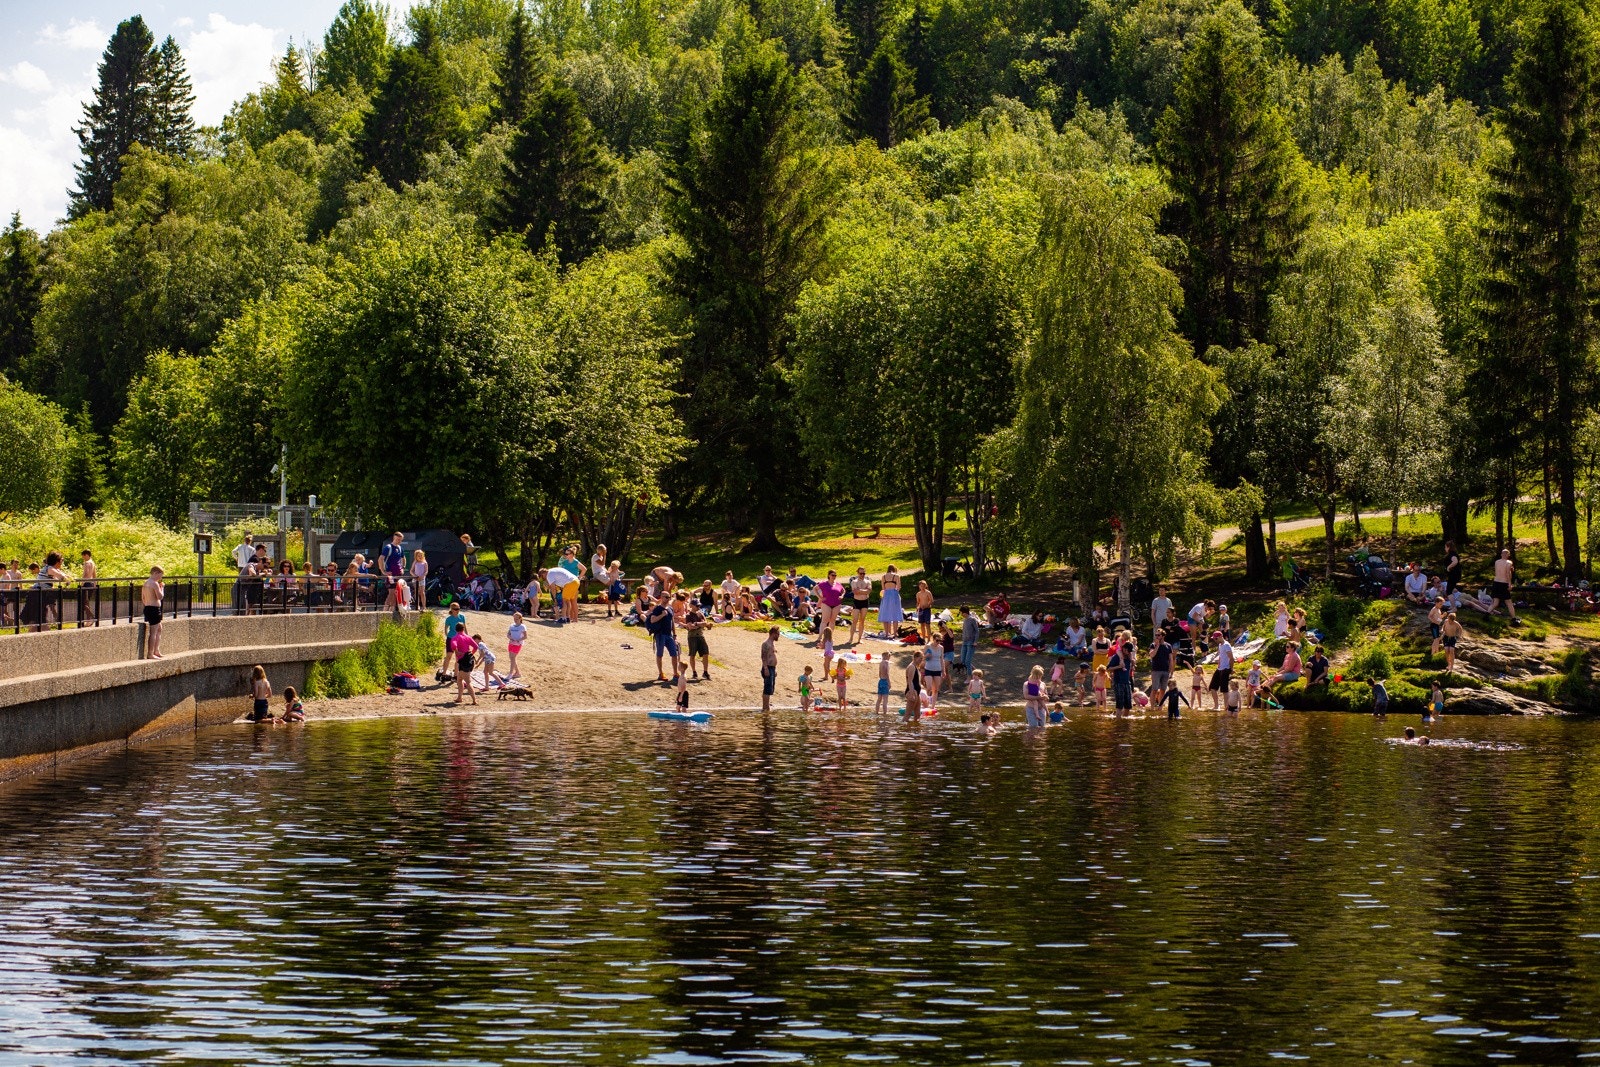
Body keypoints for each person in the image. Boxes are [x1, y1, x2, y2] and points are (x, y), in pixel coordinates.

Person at [644, 596, 681, 683]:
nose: (667, 598)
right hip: (660, 634)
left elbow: (672, 622)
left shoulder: (670, 608)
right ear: (661, 598)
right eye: (665, 597)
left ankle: (675, 673)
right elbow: (652, 620)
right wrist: (662, 615)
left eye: (669, 597)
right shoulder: (657, 609)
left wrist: (674, 634)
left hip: (669, 635)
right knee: (660, 654)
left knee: (674, 654)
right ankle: (661, 674)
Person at [450, 628, 478, 705]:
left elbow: (453, 645)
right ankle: (459, 698)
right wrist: (471, 653)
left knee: (468, 682)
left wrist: (456, 651)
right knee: (459, 679)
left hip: (463, 661)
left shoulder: (456, 637)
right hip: (469, 660)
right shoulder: (468, 637)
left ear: (456, 629)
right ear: (463, 629)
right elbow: (476, 646)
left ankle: (474, 700)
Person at [685, 600, 712, 679]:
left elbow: (706, 623)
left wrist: (697, 624)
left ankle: (705, 672)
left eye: (699, 606)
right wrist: (699, 624)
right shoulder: (688, 615)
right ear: (691, 606)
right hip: (692, 637)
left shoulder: (700, 613)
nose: (698, 607)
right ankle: (694, 672)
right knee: (692, 655)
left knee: (706, 653)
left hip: (700, 635)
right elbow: (690, 626)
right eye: (697, 606)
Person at [141, 566, 164, 658]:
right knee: (153, 632)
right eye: (159, 576)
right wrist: (162, 588)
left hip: (148, 607)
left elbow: (143, 597)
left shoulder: (146, 583)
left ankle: (156, 650)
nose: (160, 578)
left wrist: (147, 604)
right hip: (154, 609)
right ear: (155, 573)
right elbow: (160, 597)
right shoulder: (154, 584)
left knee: (159, 628)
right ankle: (150, 653)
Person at [1208, 633, 1235, 711]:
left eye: (1216, 639)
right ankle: (1216, 706)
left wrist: (1231, 669)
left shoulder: (1227, 645)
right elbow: (1220, 655)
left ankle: (1226, 707)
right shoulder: (1220, 645)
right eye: (1214, 639)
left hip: (1225, 669)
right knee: (1212, 688)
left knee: (1224, 689)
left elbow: (1231, 658)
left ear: (1220, 637)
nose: (1215, 640)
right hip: (1219, 668)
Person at [1108, 637, 1134, 716]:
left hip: (1127, 682)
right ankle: (1118, 721)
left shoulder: (1129, 657)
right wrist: (1119, 666)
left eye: (1129, 651)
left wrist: (1132, 663)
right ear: (1124, 649)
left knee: (1128, 705)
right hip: (1118, 682)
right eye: (1127, 650)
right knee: (1119, 705)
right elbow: (1108, 668)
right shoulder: (1117, 657)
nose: (1128, 652)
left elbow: (1131, 666)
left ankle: (1125, 721)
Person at [848, 567, 873, 644]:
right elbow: (855, 592)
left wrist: (860, 590)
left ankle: (859, 639)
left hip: (865, 602)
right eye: (860, 573)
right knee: (854, 620)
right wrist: (864, 591)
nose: (862, 575)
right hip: (856, 602)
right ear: (858, 573)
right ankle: (851, 638)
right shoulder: (854, 582)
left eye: (863, 573)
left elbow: (869, 591)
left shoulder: (868, 581)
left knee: (862, 621)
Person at [1490, 549, 1516, 620]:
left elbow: (1497, 572)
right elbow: (1507, 573)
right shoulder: (1509, 562)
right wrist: (1510, 584)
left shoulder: (1497, 562)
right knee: (1509, 602)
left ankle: (1487, 614)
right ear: (1508, 555)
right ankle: (1514, 618)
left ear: (1501, 554)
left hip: (1496, 582)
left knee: (1495, 603)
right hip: (1504, 583)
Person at [878, 566, 904, 637]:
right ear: (894, 569)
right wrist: (895, 591)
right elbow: (898, 587)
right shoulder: (896, 576)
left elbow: (883, 588)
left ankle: (887, 633)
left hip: (886, 594)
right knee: (895, 613)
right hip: (894, 594)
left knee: (885, 613)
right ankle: (895, 633)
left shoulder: (883, 576)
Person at [761, 626, 780, 713]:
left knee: (770, 688)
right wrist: (766, 668)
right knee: (767, 688)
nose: (778, 636)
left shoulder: (772, 644)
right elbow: (763, 657)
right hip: (767, 667)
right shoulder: (766, 644)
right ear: (773, 634)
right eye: (778, 634)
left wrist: (774, 669)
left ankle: (767, 706)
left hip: (772, 668)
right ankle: (765, 707)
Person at [1148, 630, 1173, 696]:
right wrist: (1157, 646)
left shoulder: (1168, 645)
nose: (1157, 636)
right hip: (1156, 670)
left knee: (1163, 690)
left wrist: (1170, 671)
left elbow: (1171, 659)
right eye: (1156, 635)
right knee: (1154, 689)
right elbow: (1151, 655)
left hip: (1165, 670)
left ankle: (1160, 705)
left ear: (1163, 636)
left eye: (1158, 635)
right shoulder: (1153, 645)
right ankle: (1152, 706)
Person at [923, 630, 945, 702]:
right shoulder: (928, 646)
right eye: (937, 640)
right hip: (928, 668)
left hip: (937, 669)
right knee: (929, 687)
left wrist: (943, 670)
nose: (938, 642)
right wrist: (927, 655)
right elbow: (922, 657)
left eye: (940, 641)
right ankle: (925, 702)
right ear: (933, 639)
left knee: (936, 689)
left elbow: (942, 659)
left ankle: (932, 706)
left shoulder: (941, 647)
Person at [903, 649, 924, 717]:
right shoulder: (911, 666)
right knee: (907, 715)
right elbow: (910, 681)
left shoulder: (916, 667)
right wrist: (911, 694)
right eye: (920, 658)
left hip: (916, 692)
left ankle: (915, 727)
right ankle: (904, 727)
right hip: (912, 692)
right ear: (915, 657)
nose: (921, 660)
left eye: (922, 659)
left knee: (917, 715)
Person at [506, 613, 527, 677]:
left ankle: (510, 673)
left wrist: (518, 640)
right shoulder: (512, 625)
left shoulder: (522, 626)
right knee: (512, 658)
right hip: (511, 643)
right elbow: (508, 634)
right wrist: (511, 638)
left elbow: (525, 636)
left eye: (517, 619)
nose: (515, 620)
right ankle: (518, 673)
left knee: (513, 658)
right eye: (514, 618)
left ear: (520, 618)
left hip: (517, 644)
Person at [79, 549, 97, 621]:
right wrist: (95, 584)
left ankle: (91, 617)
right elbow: (94, 575)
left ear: (86, 555)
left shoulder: (87, 563)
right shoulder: (93, 563)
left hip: (86, 583)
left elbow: (86, 574)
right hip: (91, 583)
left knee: (83, 602)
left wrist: (82, 583)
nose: (83, 558)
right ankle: (89, 619)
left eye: (83, 556)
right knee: (86, 601)